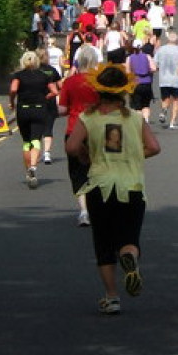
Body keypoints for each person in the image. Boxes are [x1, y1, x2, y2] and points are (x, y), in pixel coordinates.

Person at [65, 64, 161, 315]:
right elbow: (154, 147)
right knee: (129, 238)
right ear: (123, 91)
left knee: (103, 243)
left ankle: (112, 296)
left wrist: (87, 156)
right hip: (132, 186)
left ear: (99, 89)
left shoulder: (89, 117)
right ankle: (129, 259)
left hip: (100, 186)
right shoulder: (136, 118)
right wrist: (133, 156)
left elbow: (71, 147)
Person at [59, 47, 100, 225]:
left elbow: (61, 110)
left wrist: (71, 108)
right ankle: (98, 208)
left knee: (77, 172)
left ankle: (84, 211)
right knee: (98, 169)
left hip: (74, 131)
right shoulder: (99, 82)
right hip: (97, 130)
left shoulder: (69, 82)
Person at [8, 50, 59, 189]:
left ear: (23, 61)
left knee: (26, 142)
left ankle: (28, 171)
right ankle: (34, 168)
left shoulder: (18, 75)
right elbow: (55, 92)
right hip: (39, 109)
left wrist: (12, 102)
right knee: (36, 139)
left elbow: (13, 89)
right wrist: (45, 97)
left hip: (23, 109)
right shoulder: (43, 75)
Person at [36, 47, 63, 166]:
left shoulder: (32, 71)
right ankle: (46, 153)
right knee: (48, 128)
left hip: (35, 102)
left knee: (35, 129)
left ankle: (34, 154)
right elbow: (60, 86)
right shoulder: (52, 70)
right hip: (49, 102)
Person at [155, 31, 178, 130]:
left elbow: (155, 64)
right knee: (176, 100)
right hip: (176, 79)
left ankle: (164, 110)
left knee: (165, 98)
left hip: (163, 79)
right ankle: (172, 122)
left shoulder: (160, 50)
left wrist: (160, 68)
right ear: (176, 40)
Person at [125, 40, 156, 124]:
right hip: (146, 83)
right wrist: (147, 70)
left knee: (137, 106)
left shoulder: (129, 58)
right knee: (145, 105)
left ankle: (139, 122)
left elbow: (127, 72)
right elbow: (153, 68)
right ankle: (146, 120)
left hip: (135, 83)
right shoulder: (147, 56)